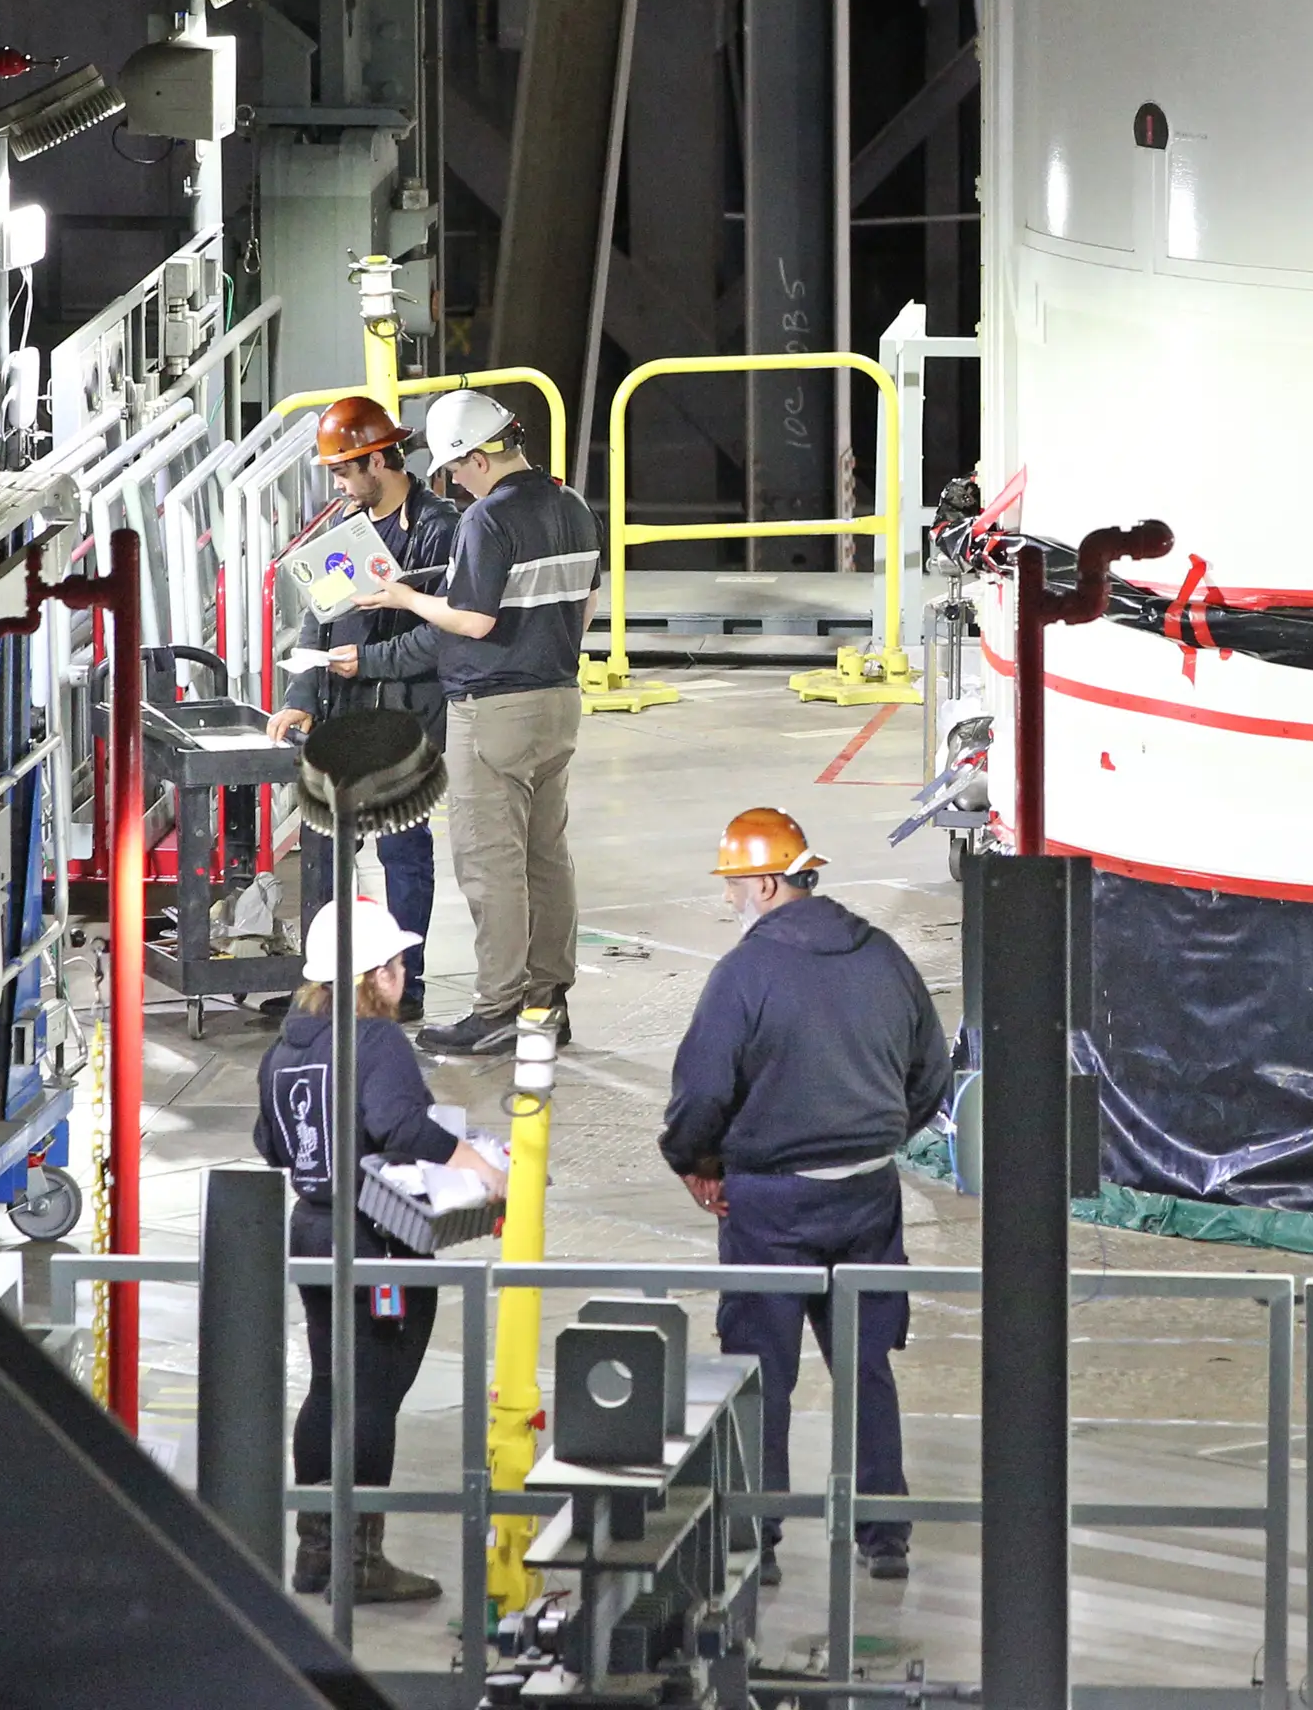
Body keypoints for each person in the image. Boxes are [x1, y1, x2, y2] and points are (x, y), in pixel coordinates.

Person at [658, 807, 951, 1585]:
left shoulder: (745, 974)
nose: (731, 901)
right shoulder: (884, 956)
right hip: (867, 1198)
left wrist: (696, 1161)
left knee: (761, 1372)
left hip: (771, 1206)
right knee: (867, 1369)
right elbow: (932, 1075)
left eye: (734, 886)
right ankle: (883, 1534)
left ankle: (757, 1537)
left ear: (765, 881)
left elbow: (700, 1093)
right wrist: (875, 1137)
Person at [253, 895, 507, 1602]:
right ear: (376, 975)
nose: (403, 973)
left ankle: (317, 1552)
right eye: (398, 963)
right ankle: (357, 1562)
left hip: (310, 1226)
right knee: (373, 1394)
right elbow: (401, 1124)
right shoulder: (373, 1040)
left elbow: (268, 1143)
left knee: (331, 1384)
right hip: (376, 1237)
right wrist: (474, 1164)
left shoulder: (287, 1047)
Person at [360, 389, 599, 1055]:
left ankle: (498, 1007)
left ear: (477, 456)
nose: (453, 481)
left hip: (493, 711)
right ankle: (548, 999)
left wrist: (406, 596)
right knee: (546, 858)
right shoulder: (572, 505)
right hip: (558, 700)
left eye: (456, 468)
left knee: (491, 864)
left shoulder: (486, 521)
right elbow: (586, 602)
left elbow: (473, 619)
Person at [266, 394, 459, 1021]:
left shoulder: (440, 528)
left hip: (406, 718)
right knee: (325, 853)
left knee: (404, 854)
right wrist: (301, 698)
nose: (342, 486)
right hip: (345, 716)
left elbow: (443, 633)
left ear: (381, 459)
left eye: (348, 472)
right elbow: (316, 623)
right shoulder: (343, 532)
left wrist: (370, 664)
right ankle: (323, 989)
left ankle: (407, 989)